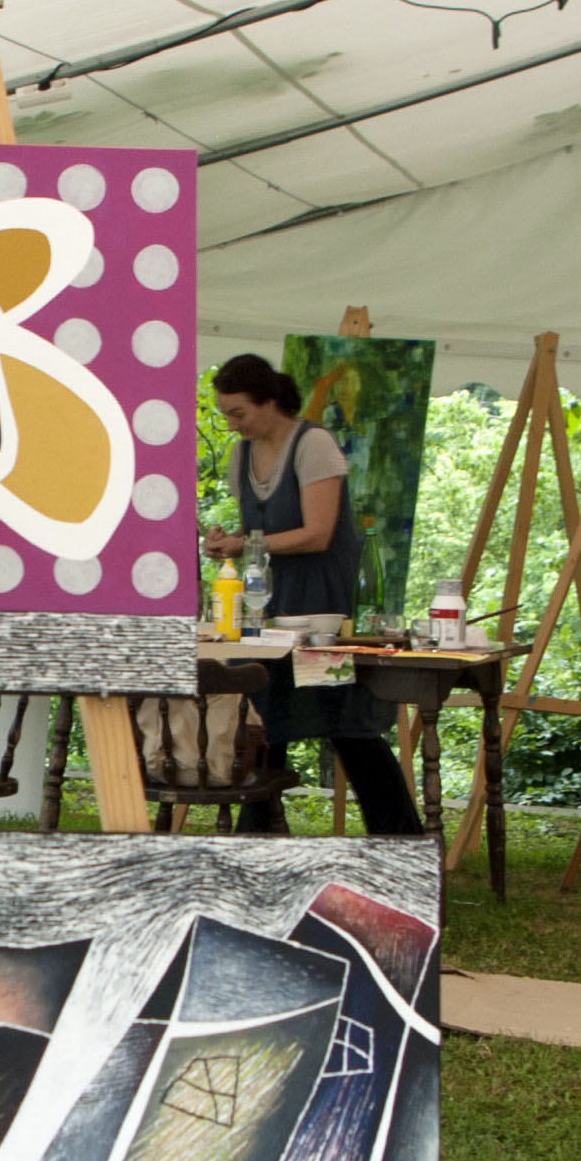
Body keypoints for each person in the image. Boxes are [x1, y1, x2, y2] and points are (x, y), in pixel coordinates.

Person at [200, 353, 422, 836]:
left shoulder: (313, 444)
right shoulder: (242, 455)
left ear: (269, 401)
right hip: (267, 606)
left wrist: (248, 544)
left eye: (238, 413)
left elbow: (317, 533)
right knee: (261, 720)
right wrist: (230, 542)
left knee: (345, 722)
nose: (233, 424)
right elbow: (260, 532)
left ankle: (400, 838)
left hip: (322, 611)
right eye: (226, 415)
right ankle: (256, 839)